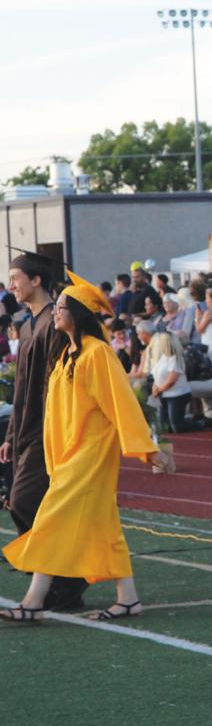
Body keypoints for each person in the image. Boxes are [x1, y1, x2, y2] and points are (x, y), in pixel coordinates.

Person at [2, 271, 168, 623]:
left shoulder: (98, 354)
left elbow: (121, 403)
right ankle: (128, 599)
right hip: (67, 454)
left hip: (90, 454)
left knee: (50, 517)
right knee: (103, 527)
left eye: (63, 306)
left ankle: (34, 599)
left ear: (78, 313)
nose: (57, 311)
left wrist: (148, 449)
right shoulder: (65, 357)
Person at [1, 251, 88, 611]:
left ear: (36, 280)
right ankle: (57, 582)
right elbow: (22, 386)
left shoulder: (55, 323)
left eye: (16, 278)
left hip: (48, 428)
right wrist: (9, 436)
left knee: (25, 501)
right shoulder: (25, 325)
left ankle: (67, 580)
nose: (11, 286)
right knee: (23, 505)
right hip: (23, 430)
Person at [148, 331, 194, 434]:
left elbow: (171, 380)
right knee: (165, 427)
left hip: (177, 394)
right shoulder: (162, 358)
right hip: (163, 394)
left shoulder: (176, 358)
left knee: (177, 427)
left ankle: (201, 423)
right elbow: (156, 376)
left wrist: (158, 390)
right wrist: (155, 387)